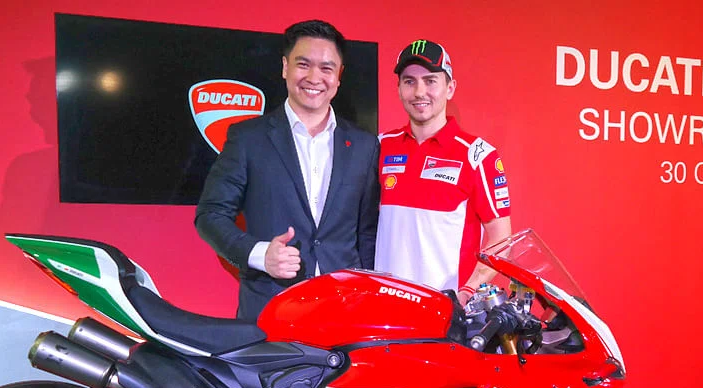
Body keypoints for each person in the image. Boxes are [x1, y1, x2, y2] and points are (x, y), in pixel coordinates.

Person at [196, 20, 380, 321]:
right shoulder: (248, 138)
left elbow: (367, 231)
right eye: (303, 64)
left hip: (345, 310)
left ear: (338, 76)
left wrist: (368, 291)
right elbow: (210, 214)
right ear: (285, 67)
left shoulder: (364, 145)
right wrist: (259, 254)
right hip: (271, 306)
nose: (314, 78)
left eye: (326, 68)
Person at [376, 39, 512, 305]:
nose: (419, 92)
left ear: (450, 88)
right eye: (409, 81)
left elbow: (501, 239)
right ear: (399, 89)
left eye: (430, 81)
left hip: (445, 311)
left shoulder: (478, 155)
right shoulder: (380, 145)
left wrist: (467, 292)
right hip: (385, 308)